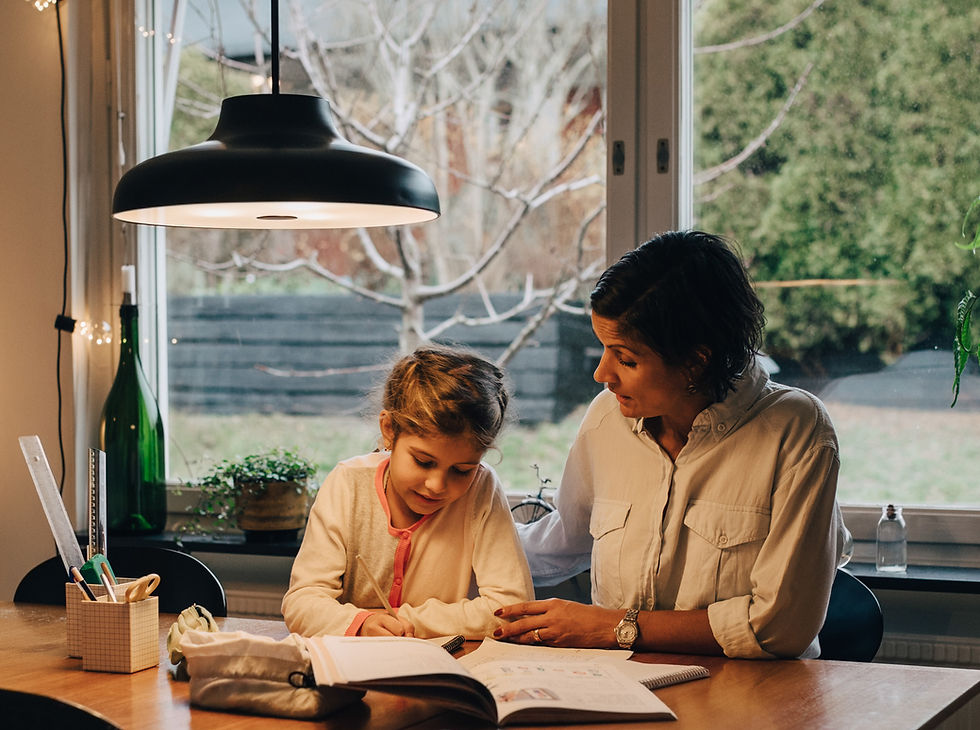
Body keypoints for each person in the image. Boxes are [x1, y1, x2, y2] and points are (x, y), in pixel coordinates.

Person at [494, 230, 848, 659]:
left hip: (751, 699)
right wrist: (457, 532)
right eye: (602, 349)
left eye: (626, 358)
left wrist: (612, 628)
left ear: (696, 361)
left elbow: (779, 626)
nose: (602, 373)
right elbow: (563, 543)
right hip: (620, 690)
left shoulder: (796, 430)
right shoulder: (607, 417)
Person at [282, 345, 533, 639]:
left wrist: (404, 620)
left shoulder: (482, 487)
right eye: (423, 462)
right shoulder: (348, 483)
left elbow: (513, 608)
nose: (437, 485)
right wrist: (361, 623)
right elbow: (302, 603)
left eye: (462, 470)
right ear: (389, 429)